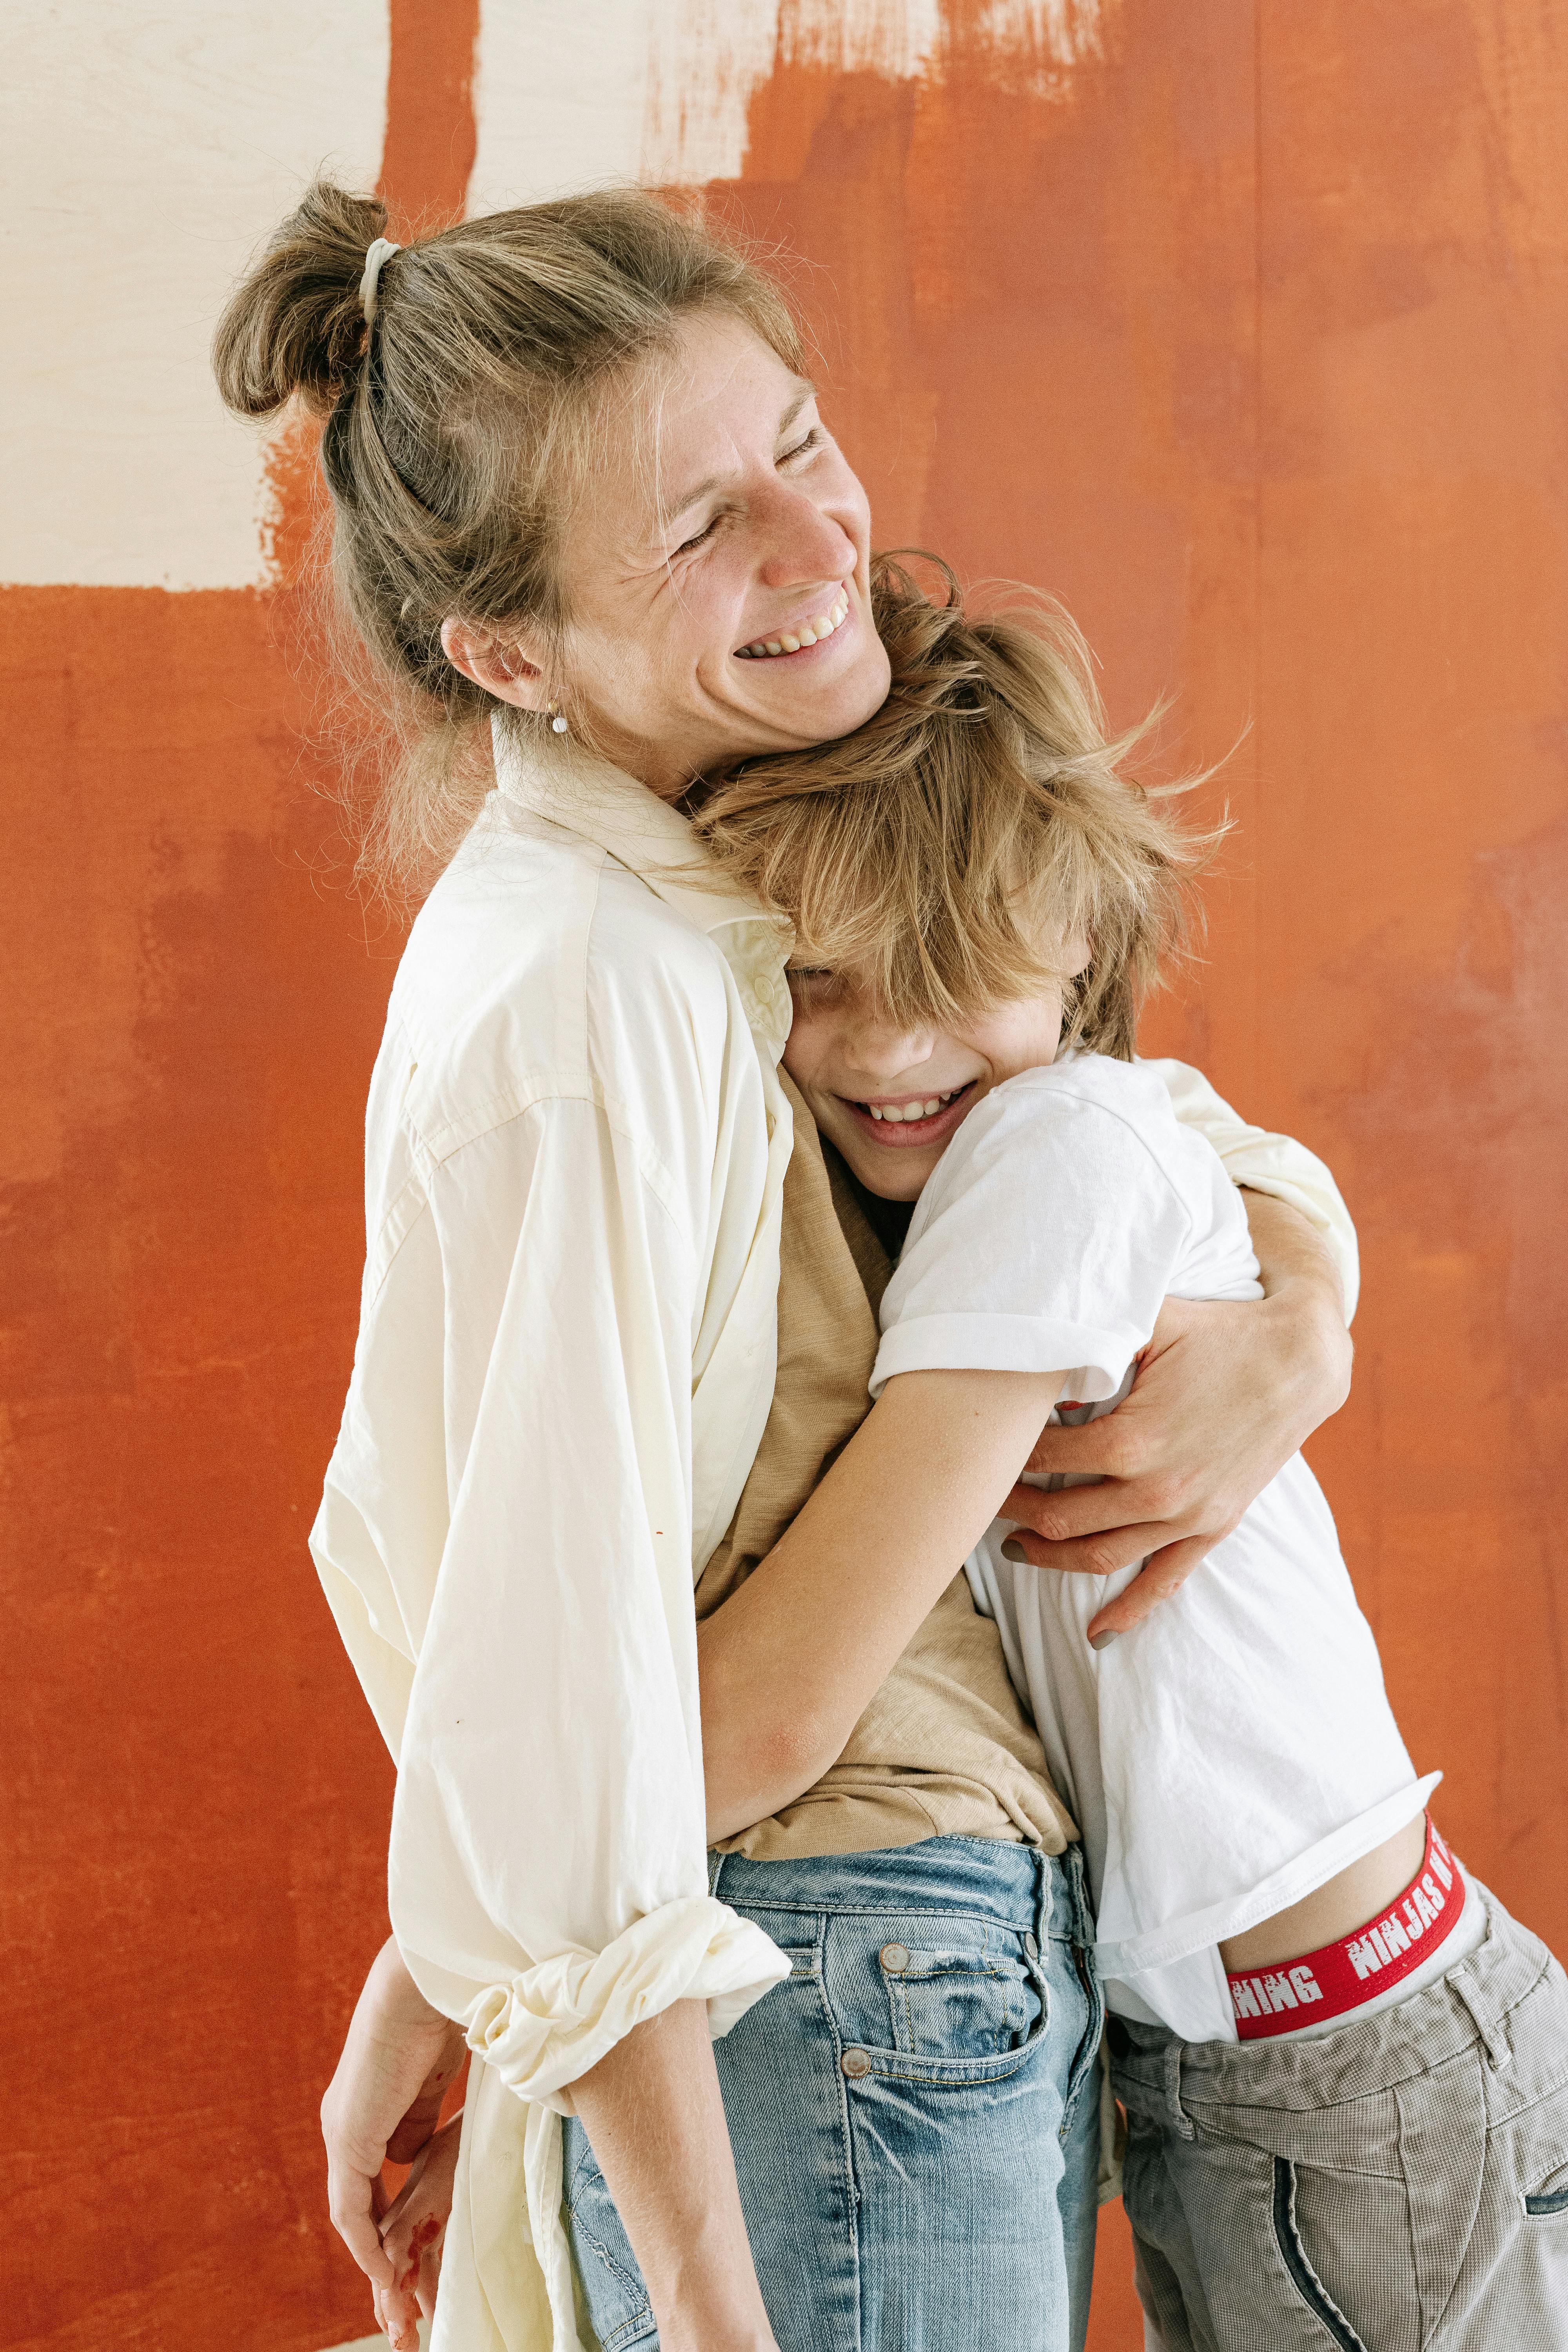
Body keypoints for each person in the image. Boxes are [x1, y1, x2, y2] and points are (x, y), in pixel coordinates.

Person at [214, 184, 1358, 2352]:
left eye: (801, 444)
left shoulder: (748, 856)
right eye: (696, 524)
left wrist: (1305, 1293)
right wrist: (718, 2298)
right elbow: (576, 1725)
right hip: (835, 1968)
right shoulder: (591, 1006)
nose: (819, 546)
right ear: (509, 652)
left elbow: (1089, 1090)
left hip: (885, 1956)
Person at [691, 563, 1568, 2347]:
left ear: (1084, 933)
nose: (885, 1046)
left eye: (949, 969)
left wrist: (471, 1931)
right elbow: (1245, 1160)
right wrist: (1310, 1295)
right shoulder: (1069, 1138)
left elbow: (768, 1721)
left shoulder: (1056, 1152)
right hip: (1329, 2031)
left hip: (1326, 2068)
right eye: (820, 977)